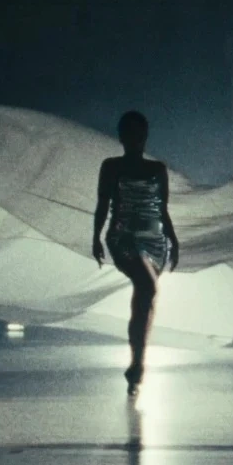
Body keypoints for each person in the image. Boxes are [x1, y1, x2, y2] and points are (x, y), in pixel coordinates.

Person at [92, 110, 179, 395]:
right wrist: (96, 237)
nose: (135, 138)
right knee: (147, 287)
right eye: (130, 133)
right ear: (122, 137)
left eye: (140, 133)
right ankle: (138, 363)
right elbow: (103, 204)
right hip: (123, 237)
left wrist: (173, 240)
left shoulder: (158, 169)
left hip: (155, 241)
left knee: (144, 299)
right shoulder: (111, 166)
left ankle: (136, 363)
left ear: (145, 136)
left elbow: (162, 209)